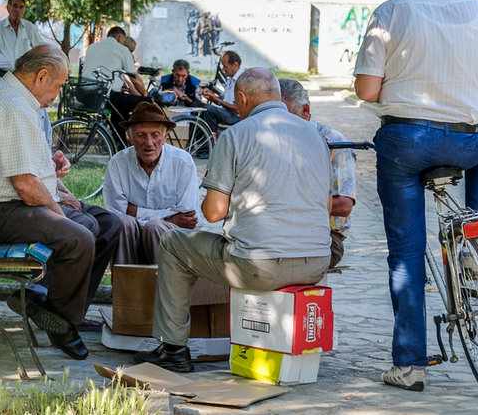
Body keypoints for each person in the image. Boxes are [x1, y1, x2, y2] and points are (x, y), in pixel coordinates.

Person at [353, 0, 478, 392]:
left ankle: (410, 366)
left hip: (405, 143)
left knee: (405, 254)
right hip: (465, 142)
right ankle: (473, 232)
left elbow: (365, 90)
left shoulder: (392, 11)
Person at [134, 68, 332, 372]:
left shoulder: (237, 134)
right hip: (317, 262)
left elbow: (213, 213)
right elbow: (327, 206)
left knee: (174, 243)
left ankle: (172, 347)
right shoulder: (316, 135)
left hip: (261, 266)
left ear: (241, 98)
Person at [0, 45, 119, 360]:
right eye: (58, 85)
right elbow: (26, 185)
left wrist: (60, 188)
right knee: (80, 234)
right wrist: (61, 212)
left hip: (11, 202)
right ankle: (63, 323)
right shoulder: (10, 105)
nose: (58, 94)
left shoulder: (21, 101)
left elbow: (33, 169)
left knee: (107, 225)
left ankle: (45, 300)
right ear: (42, 76)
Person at [102, 101, 200, 264]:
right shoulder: (118, 162)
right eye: (141, 135)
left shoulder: (182, 162)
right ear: (131, 137)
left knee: (154, 228)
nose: (149, 143)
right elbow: (116, 211)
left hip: (174, 239)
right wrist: (168, 217)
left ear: (165, 137)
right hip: (131, 234)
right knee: (123, 223)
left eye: (155, 135)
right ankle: (126, 286)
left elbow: (187, 215)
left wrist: (135, 211)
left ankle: (164, 287)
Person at [279, 79, 356, 269]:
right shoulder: (271, 138)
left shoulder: (333, 141)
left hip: (324, 237)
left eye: (284, 115)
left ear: (305, 111)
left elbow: (344, 205)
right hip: (279, 232)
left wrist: (284, 205)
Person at [82, 26, 150, 143]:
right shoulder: (121, 49)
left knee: (120, 110)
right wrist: (145, 95)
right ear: (119, 37)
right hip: (105, 95)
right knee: (146, 103)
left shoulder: (92, 47)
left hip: (84, 93)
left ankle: (120, 145)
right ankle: (144, 137)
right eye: (124, 42)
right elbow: (135, 78)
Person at [0, 0, 45, 86]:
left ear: (24, 10)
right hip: (0, 75)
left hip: (22, 76)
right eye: (15, 6)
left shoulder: (29, 27)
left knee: (21, 100)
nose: (17, 10)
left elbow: (40, 49)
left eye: (21, 7)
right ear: (8, 8)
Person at [199, 51, 243, 131]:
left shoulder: (241, 80)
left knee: (208, 109)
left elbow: (237, 109)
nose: (223, 69)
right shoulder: (231, 80)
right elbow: (225, 101)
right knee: (199, 108)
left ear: (235, 65)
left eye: (225, 66)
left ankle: (210, 139)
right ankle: (201, 140)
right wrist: (211, 96)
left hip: (236, 117)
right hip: (227, 113)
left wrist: (217, 100)